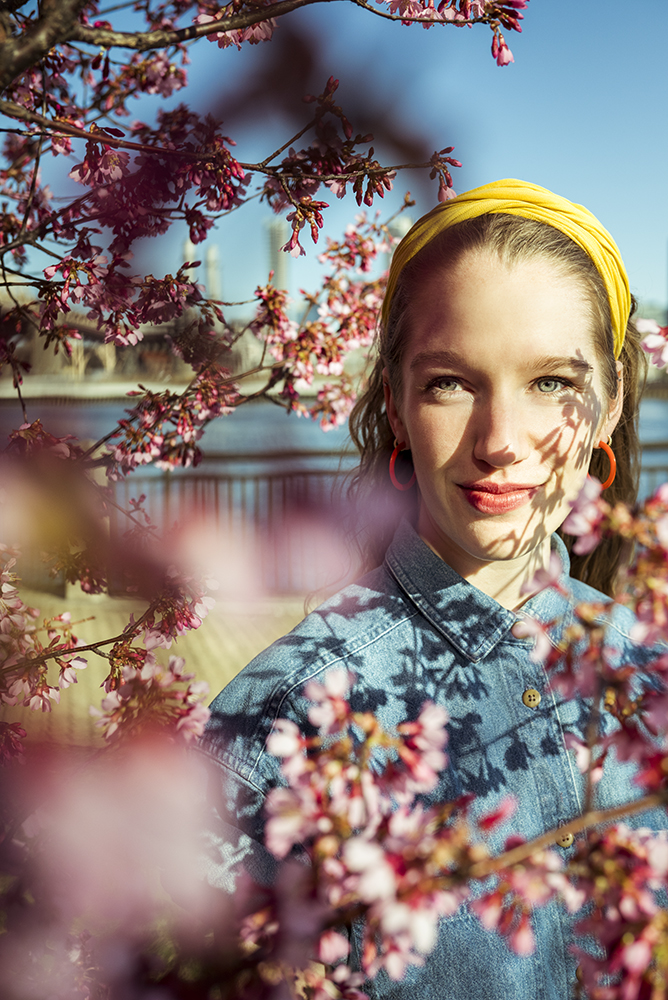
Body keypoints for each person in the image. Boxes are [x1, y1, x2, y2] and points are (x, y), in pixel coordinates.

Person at [197, 179, 666, 999]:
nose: (499, 443)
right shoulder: (283, 726)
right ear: (398, 399)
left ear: (610, 403)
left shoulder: (649, 667)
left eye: (553, 381)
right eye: (451, 382)